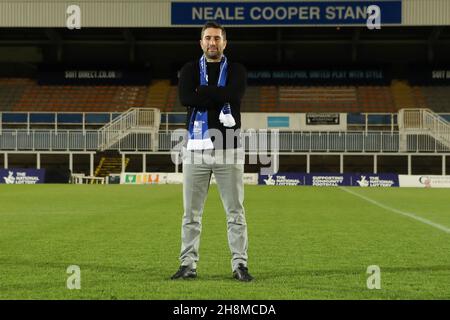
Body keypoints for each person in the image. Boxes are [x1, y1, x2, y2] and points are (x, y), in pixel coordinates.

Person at [171, 21, 253, 282]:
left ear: (224, 43)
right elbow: (186, 98)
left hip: (228, 148)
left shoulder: (236, 69)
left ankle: (240, 265)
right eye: (208, 38)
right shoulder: (190, 68)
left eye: (217, 38)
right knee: (191, 214)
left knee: (235, 213)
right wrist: (219, 96)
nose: (212, 43)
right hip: (195, 149)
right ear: (201, 42)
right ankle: (187, 265)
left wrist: (204, 92)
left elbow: (235, 95)